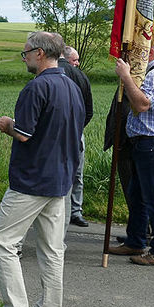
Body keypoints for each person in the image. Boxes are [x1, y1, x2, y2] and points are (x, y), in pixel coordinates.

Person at [0, 31, 84, 307]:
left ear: (39, 53)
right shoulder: (71, 85)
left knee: (1, 240)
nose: (23, 57)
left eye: (25, 52)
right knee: (52, 247)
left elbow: (24, 133)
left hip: (33, 178)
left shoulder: (36, 88)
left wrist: (6, 124)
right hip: (62, 177)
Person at [108, 37, 154, 266]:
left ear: (148, 52)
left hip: (153, 144)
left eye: (138, 51)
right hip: (148, 144)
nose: (132, 56)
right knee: (138, 196)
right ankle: (136, 241)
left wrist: (126, 77)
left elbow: (141, 104)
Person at [59, 46, 94, 228]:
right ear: (66, 58)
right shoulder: (82, 77)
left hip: (58, 135)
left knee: (61, 173)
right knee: (77, 174)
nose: (78, 63)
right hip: (78, 133)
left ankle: (64, 213)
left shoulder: (51, 74)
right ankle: (76, 211)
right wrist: (78, 128)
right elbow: (89, 111)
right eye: (75, 60)